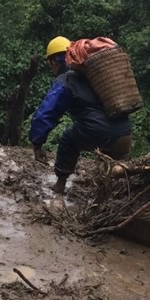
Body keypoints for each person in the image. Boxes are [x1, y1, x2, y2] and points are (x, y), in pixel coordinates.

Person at [29, 36, 133, 195]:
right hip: (125, 133)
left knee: (68, 141)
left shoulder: (66, 80)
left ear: (55, 62)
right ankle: (107, 197)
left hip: (98, 131)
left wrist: (37, 143)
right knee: (109, 169)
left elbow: (46, 113)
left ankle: (60, 185)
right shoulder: (95, 76)